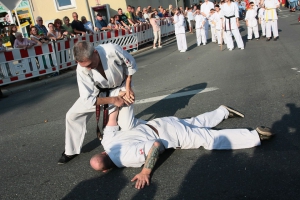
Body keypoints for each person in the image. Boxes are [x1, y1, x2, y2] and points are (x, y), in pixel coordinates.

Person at [90, 105, 274, 189]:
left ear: (107, 170)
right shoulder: (107, 141)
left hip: (169, 135)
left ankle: (254, 135)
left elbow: (156, 145)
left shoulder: (125, 158)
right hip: (160, 123)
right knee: (195, 123)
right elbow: (112, 118)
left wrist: (146, 171)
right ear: (102, 152)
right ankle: (222, 111)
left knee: (209, 139)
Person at [57, 41, 144, 164]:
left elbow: (130, 65)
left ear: (95, 53)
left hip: (122, 88)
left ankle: (148, 127)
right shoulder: (82, 69)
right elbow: (87, 99)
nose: (88, 68)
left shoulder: (112, 50)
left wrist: (128, 88)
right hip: (100, 94)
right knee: (72, 115)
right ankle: (71, 150)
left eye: (89, 64)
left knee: (127, 126)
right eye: (84, 65)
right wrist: (113, 100)